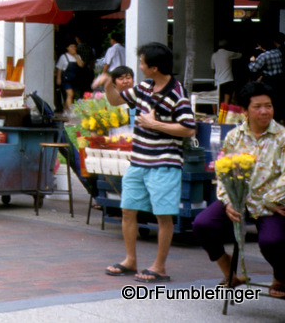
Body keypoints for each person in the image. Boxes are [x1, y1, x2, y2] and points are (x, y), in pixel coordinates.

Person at [98, 42, 196, 283]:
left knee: (163, 216)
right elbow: (115, 101)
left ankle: (159, 267)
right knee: (128, 210)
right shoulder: (144, 87)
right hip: (138, 162)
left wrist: (156, 125)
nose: (139, 67)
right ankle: (130, 260)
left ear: (154, 67)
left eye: (142, 63)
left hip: (164, 164)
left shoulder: (177, 93)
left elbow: (188, 128)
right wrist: (108, 83)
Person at [192, 81, 285, 297]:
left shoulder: (282, 137)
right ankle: (229, 272)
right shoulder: (234, 136)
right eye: (257, 106)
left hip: (270, 203)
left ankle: (280, 277)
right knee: (202, 225)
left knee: (273, 241)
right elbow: (223, 171)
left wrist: (270, 200)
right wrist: (228, 200)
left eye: (268, 105)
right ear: (244, 111)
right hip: (238, 200)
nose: (264, 111)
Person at [249, 32, 284, 121]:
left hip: (269, 81)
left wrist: (252, 61)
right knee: (278, 100)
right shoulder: (278, 53)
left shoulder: (264, 56)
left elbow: (253, 68)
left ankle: (269, 119)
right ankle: (278, 119)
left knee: (269, 101)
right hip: (280, 80)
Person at [211, 40, 242, 108]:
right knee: (226, 100)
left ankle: (217, 115)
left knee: (215, 99)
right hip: (228, 80)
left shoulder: (214, 55)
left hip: (218, 81)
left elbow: (213, 68)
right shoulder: (228, 53)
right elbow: (240, 55)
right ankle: (223, 117)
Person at [55, 41, 83, 112]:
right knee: (70, 94)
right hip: (66, 78)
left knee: (70, 96)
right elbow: (60, 69)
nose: (74, 48)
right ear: (67, 48)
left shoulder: (78, 56)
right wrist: (58, 78)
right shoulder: (63, 57)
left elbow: (81, 65)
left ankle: (65, 111)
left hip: (74, 78)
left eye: (74, 46)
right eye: (71, 46)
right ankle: (71, 112)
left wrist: (76, 55)